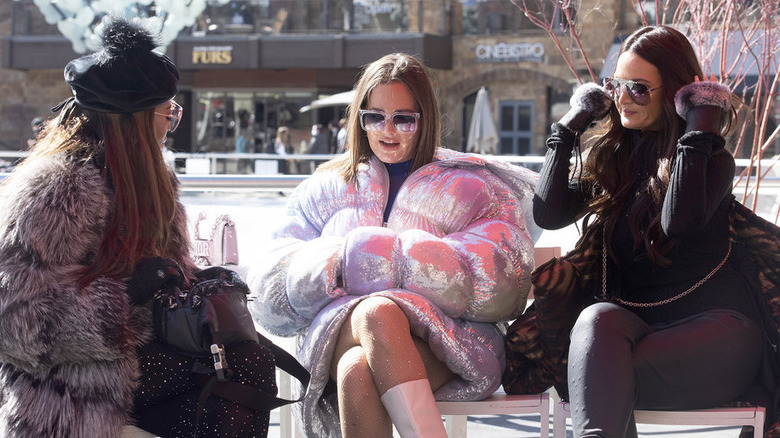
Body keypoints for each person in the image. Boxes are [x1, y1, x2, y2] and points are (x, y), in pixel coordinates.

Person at [0, 17, 272, 438]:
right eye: (168, 112)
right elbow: (15, 320)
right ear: (134, 120)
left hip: (139, 361)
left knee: (248, 360)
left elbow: (168, 272)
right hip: (71, 388)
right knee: (238, 374)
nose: (171, 123)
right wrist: (126, 299)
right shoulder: (56, 187)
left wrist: (198, 284)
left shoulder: (154, 181)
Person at [248, 52, 538, 437]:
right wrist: (383, 270)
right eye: (374, 117)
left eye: (403, 118)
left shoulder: (470, 187)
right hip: (338, 333)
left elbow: (502, 279)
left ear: (424, 119)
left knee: (356, 371)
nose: (388, 130)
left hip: (442, 342)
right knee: (376, 314)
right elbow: (271, 285)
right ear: (360, 119)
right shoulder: (324, 188)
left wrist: (365, 265)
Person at [533, 26, 766, 437]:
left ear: (677, 93)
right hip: (629, 334)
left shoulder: (710, 162)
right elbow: (547, 213)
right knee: (595, 320)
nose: (622, 98)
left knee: (598, 376)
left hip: (716, 336)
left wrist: (700, 120)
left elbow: (678, 222)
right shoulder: (611, 162)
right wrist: (570, 127)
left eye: (638, 88)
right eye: (615, 86)